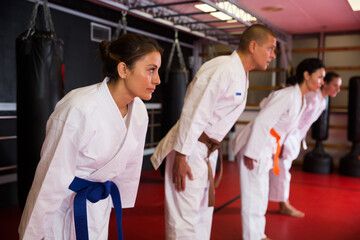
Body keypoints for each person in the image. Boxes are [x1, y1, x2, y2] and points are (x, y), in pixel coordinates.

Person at [18, 33, 163, 239]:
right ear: (123, 69)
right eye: (151, 70)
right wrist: (35, 232)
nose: (157, 79)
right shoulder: (79, 107)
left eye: (157, 71)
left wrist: (117, 197)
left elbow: (130, 162)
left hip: (97, 205)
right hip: (63, 208)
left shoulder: (138, 110)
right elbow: (51, 175)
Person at [151, 24, 277, 240]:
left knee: (202, 214)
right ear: (253, 46)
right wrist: (181, 155)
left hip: (206, 151)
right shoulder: (223, 69)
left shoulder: (241, 74)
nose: (272, 56)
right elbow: (194, 112)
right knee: (183, 219)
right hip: (189, 149)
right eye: (271, 49)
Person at [231, 58, 326, 240]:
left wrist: (277, 148)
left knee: (262, 192)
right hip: (255, 146)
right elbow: (262, 121)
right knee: (254, 193)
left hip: (266, 147)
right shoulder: (288, 95)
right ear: (306, 75)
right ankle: (252, 236)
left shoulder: (301, 100)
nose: (322, 81)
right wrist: (252, 152)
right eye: (320, 76)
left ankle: (259, 233)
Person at [269, 71, 342, 217]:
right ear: (325, 83)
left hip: (295, 137)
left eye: (339, 87)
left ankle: (280, 202)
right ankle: (284, 204)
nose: (338, 89)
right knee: (282, 169)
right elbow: (294, 119)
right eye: (335, 85)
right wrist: (283, 141)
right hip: (288, 135)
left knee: (281, 169)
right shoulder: (312, 98)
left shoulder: (322, 101)